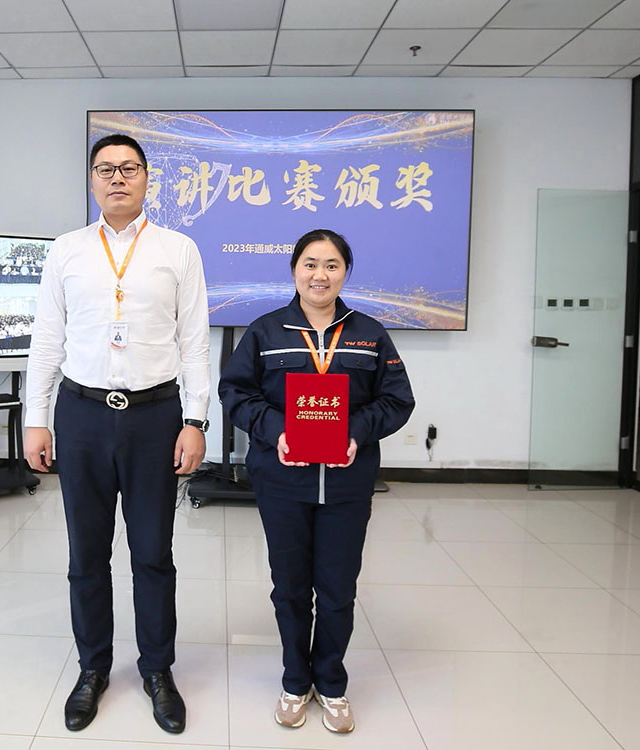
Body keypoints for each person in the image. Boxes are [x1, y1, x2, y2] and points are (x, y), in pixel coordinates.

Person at [24, 134, 210, 735]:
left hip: (156, 417)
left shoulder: (178, 250)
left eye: (129, 168)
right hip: (81, 416)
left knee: (153, 553)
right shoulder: (67, 250)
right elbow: (46, 340)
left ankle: (157, 669)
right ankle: (93, 668)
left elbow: (195, 345)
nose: (117, 178)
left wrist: (195, 421)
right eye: (105, 169)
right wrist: (35, 418)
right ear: (92, 180)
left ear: (147, 179)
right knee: (86, 554)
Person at [218, 229, 414, 734]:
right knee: (289, 587)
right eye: (310, 264)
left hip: (347, 484)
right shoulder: (265, 332)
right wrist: (277, 431)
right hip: (282, 480)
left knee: (337, 589)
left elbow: (397, 400)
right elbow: (235, 393)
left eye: (331, 265)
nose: (319, 275)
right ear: (294, 270)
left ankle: (331, 683)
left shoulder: (370, 334)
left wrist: (356, 432)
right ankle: (294, 680)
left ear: (345, 272)